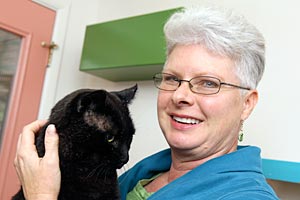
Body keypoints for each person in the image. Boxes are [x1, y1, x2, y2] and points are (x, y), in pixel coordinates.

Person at [14, 6, 279, 200]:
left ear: (247, 103)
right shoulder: (142, 174)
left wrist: (41, 195)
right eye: (172, 78)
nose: (180, 95)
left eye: (208, 83)